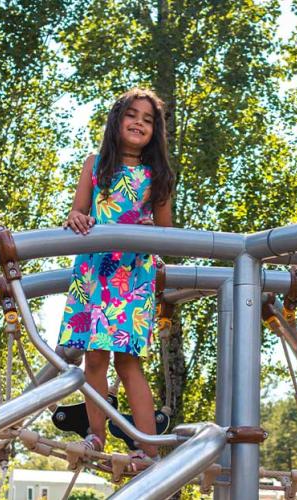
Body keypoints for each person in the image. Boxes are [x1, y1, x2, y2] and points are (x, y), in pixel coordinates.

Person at [58, 88, 176, 466]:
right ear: (116, 121)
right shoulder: (95, 165)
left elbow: (167, 231)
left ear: (155, 131)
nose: (139, 123)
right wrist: (76, 218)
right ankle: (95, 435)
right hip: (93, 271)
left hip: (131, 273)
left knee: (127, 361)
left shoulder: (155, 175)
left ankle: (147, 447)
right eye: (132, 115)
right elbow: (78, 212)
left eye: (148, 119)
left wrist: (149, 243)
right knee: (94, 360)